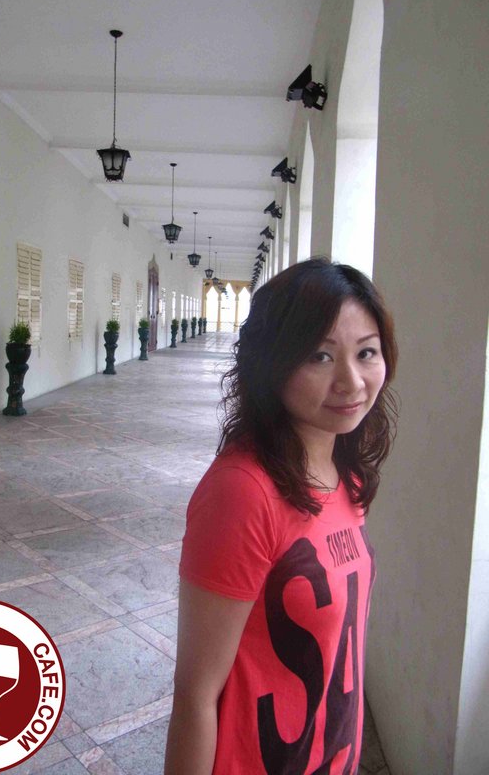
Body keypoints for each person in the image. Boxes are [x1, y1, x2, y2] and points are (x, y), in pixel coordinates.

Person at [164, 257, 398, 775]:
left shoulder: (347, 475)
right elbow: (196, 697)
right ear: (273, 362)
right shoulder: (243, 492)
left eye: (366, 353)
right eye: (320, 356)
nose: (351, 382)